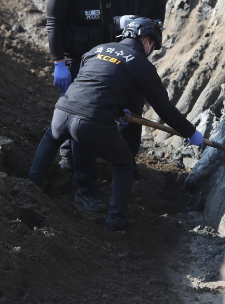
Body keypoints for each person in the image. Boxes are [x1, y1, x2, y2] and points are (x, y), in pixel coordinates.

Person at [29, 18, 203, 231]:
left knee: (52, 139)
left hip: (62, 111)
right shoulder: (141, 65)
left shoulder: (98, 49)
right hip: (91, 121)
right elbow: (164, 109)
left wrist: (119, 110)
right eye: (153, 47)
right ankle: (116, 222)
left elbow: (96, 82)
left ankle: (30, 187)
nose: (151, 51)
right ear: (145, 40)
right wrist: (190, 132)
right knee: (123, 163)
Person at [45, 0, 125, 172]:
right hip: (74, 62)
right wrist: (59, 63)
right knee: (72, 116)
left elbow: (110, 20)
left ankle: (77, 162)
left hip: (99, 62)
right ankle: (69, 167)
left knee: (90, 116)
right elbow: (53, 25)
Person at [112, 0, 167, 163]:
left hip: (135, 58)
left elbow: (158, 19)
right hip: (104, 52)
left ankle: (126, 162)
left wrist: (149, 31)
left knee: (132, 111)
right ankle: (78, 162)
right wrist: (118, 22)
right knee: (95, 107)